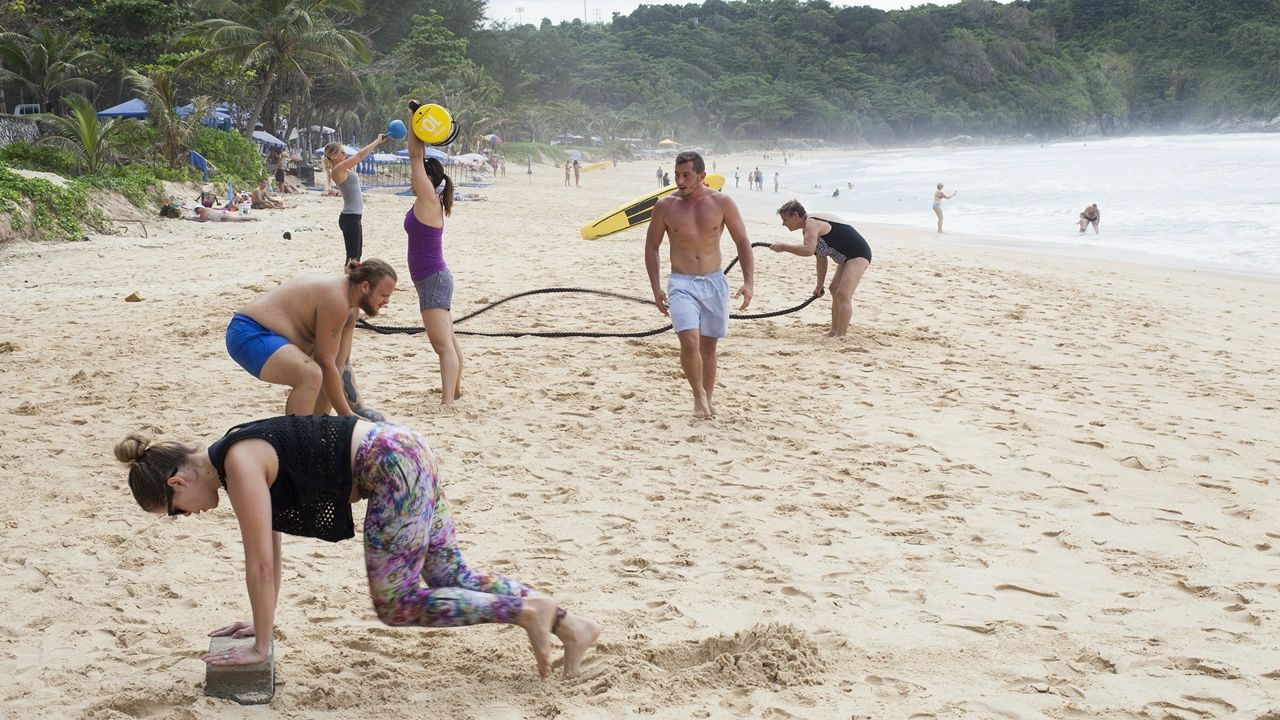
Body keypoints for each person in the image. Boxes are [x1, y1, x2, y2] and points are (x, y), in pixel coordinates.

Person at [114, 416, 600, 679]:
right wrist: (263, 624)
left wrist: (261, 647)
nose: (190, 517)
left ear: (178, 483)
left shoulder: (238, 463)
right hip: (406, 448)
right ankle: (571, 625)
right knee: (451, 577)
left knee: (397, 603)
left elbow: (259, 564)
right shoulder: (232, 450)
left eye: (177, 512)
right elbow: (272, 554)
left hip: (390, 467)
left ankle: (525, 611)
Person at [645, 151, 754, 419]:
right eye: (677, 175)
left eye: (686, 176)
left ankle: (708, 395)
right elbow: (652, 247)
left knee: (708, 347)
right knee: (690, 343)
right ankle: (698, 397)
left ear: (702, 176)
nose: (680, 181)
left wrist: (749, 281)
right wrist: (656, 287)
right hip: (681, 283)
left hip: (714, 282)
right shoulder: (664, 206)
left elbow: (743, 242)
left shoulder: (722, 202)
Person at [224, 260, 397, 416]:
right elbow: (325, 362)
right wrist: (347, 416)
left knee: (329, 376)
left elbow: (340, 364)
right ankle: (299, 445)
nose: (387, 301)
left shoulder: (351, 308)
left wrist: (360, 409)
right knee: (311, 375)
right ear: (365, 287)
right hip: (249, 332)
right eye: (384, 295)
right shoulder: (338, 299)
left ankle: (318, 434)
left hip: (272, 336)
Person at [406, 101, 464, 405]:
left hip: (432, 279)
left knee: (442, 346)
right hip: (434, 278)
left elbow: (416, 155)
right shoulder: (431, 201)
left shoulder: (429, 198)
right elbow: (417, 158)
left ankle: (448, 402)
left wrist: (414, 119)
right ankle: (455, 390)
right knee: (449, 341)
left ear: (426, 179)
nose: (411, 178)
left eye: (416, 175)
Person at [772, 200, 872, 338]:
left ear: (795, 215)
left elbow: (808, 250)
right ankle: (833, 331)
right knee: (833, 289)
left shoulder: (811, 223)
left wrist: (783, 247)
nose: (783, 223)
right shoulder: (807, 229)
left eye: (785, 219)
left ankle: (841, 335)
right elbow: (820, 258)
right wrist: (820, 285)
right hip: (846, 258)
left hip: (858, 254)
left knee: (843, 293)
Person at [325, 136, 389, 265]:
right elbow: (359, 156)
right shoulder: (337, 170)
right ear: (333, 156)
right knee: (353, 259)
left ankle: (352, 282)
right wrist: (376, 141)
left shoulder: (342, 169)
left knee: (356, 256)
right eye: (342, 152)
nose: (345, 154)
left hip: (354, 217)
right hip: (350, 218)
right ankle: (349, 283)